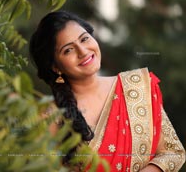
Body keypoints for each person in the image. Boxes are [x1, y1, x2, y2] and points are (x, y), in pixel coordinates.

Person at [29, 11, 185, 172]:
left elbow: (173, 153)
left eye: (84, 39)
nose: (83, 51)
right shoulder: (50, 116)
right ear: (55, 67)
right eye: (68, 50)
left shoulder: (137, 87)